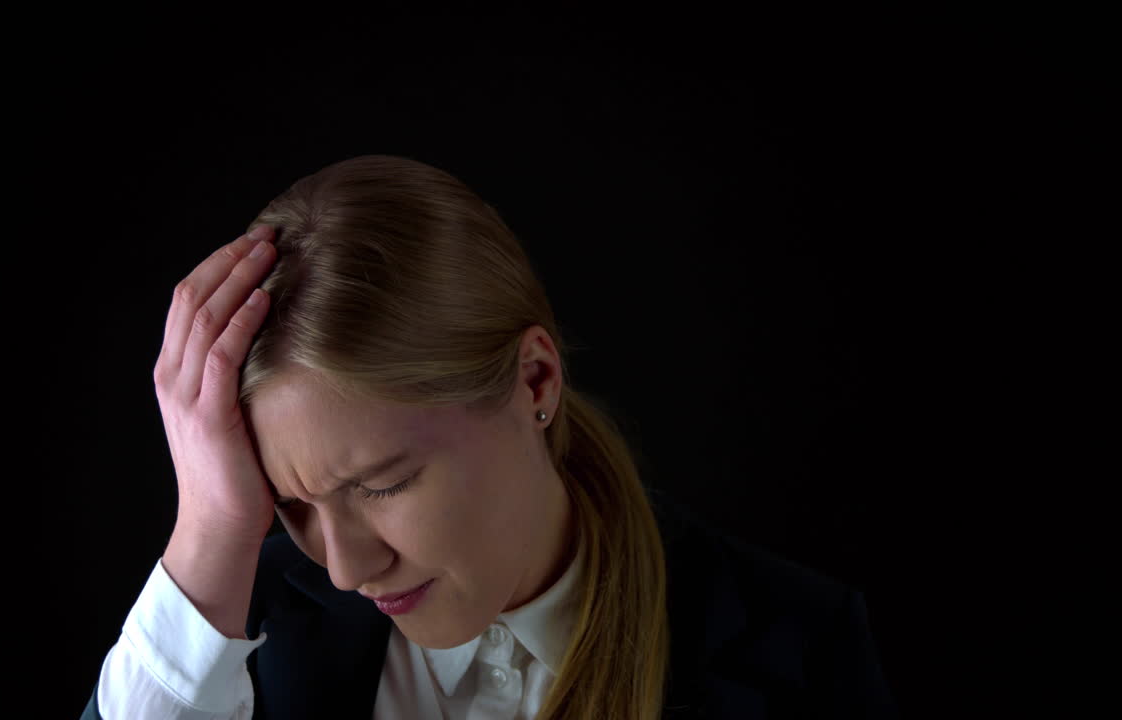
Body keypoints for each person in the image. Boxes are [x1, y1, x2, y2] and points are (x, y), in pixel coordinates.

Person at [79, 154, 899, 719]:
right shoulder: (228, 632)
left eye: (382, 482)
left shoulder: (800, 649)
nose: (345, 568)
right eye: (292, 505)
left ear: (535, 381)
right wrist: (210, 529)